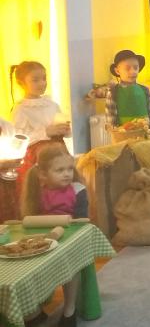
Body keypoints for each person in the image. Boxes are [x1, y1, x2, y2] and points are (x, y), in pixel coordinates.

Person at [21, 143, 88, 327]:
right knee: (26, 266)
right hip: (45, 240)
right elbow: (31, 220)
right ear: (43, 174)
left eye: (69, 169)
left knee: (71, 264)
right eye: (59, 170)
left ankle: (69, 310)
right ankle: (33, 312)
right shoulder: (37, 192)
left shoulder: (78, 190)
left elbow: (82, 221)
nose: (67, 174)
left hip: (70, 241)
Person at [9, 61, 71, 193]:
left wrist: (64, 129)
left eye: (44, 78)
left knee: (63, 187)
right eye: (35, 80)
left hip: (59, 150)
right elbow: (18, 141)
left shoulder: (52, 104)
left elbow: (62, 128)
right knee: (43, 191)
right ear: (21, 83)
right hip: (37, 157)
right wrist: (45, 132)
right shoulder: (21, 109)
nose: (42, 83)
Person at [105, 50, 150, 137]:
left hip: (146, 136)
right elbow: (111, 120)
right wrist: (117, 131)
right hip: (123, 138)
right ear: (117, 71)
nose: (133, 71)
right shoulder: (113, 92)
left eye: (135, 68)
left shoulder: (145, 90)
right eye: (127, 68)